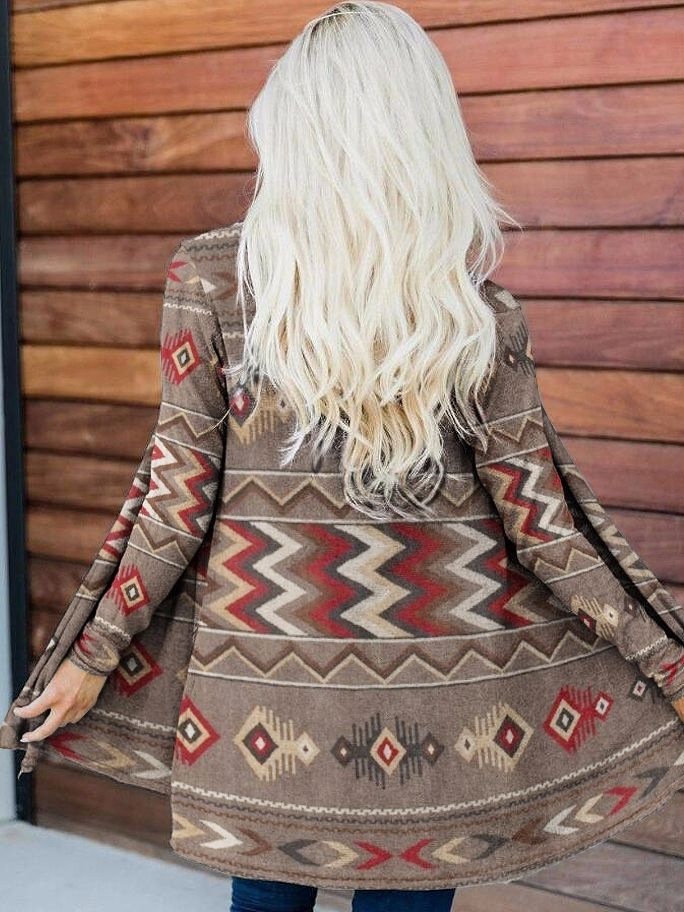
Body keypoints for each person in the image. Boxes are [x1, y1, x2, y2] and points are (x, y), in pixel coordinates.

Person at [4, 3, 684, 910]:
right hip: (443, 719)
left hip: (262, 710)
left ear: (293, 127)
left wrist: (92, 654)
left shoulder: (214, 284)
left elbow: (176, 498)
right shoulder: (474, 315)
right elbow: (549, 525)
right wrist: (667, 661)